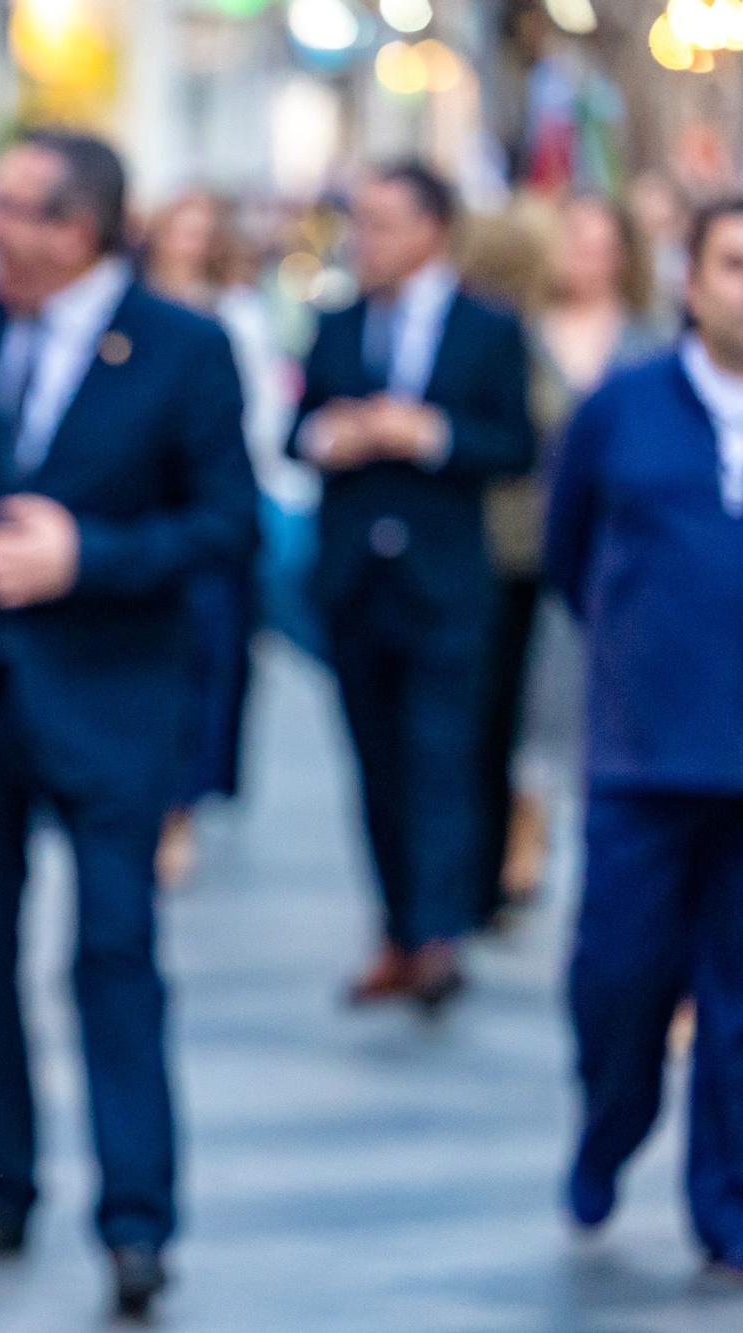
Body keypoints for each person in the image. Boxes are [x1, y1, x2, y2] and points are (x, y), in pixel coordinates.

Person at [0, 131, 257, 1319]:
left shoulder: (184, 348)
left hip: (115, 703)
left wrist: (90, 555)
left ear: (77, 229)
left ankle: (135, 1220)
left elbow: (225, 524)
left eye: (12, 208)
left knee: (112, 956)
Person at [546, 197, 743, 1280]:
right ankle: (607, 1125)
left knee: (737, 1000)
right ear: (687, 278)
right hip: (642, 755)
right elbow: (569, 552)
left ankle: (726, 1205)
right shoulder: (620, 408)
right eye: (731, 264)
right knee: (617, 978)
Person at [286, 162, 535, 1009]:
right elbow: (297, 427)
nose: (367, 241)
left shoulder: (487, 328)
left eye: (384, 223)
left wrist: (428, 433)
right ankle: (395, 925)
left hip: (446, 578)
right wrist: (334, 435)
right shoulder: (336, 321)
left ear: (432, 228)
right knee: (376, 760)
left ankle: (438, 932)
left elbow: (514, 444)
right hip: (357, 578)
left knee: (442, 755)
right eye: (360, 223)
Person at [476, 196, 671, 923]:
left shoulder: (649, 342)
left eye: (597, 242)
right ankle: (522, 822)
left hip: (629, 543)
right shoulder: (518, 335)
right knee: (529, 689)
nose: (581, 256)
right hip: (529, 537)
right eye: (571, 240)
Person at [140, 189, 298, 887]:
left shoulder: (238, 314)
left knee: (212, 655)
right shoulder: (129, 310)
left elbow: (261, 413)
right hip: (145, 506)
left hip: (214, 505)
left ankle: (185, 803)